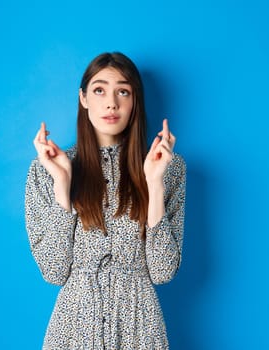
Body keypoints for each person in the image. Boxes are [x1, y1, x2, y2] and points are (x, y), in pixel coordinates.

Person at [25, 52, 186, 349]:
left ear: (134, 100)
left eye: (123, 91)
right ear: (83, 98)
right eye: (99, 90)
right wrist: (63, 183)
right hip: (74, 327)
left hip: (141, 325)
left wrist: (154, 182)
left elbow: (162, 271)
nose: (111, 103)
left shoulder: (169, 168)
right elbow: (54, 270)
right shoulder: (46, 169)